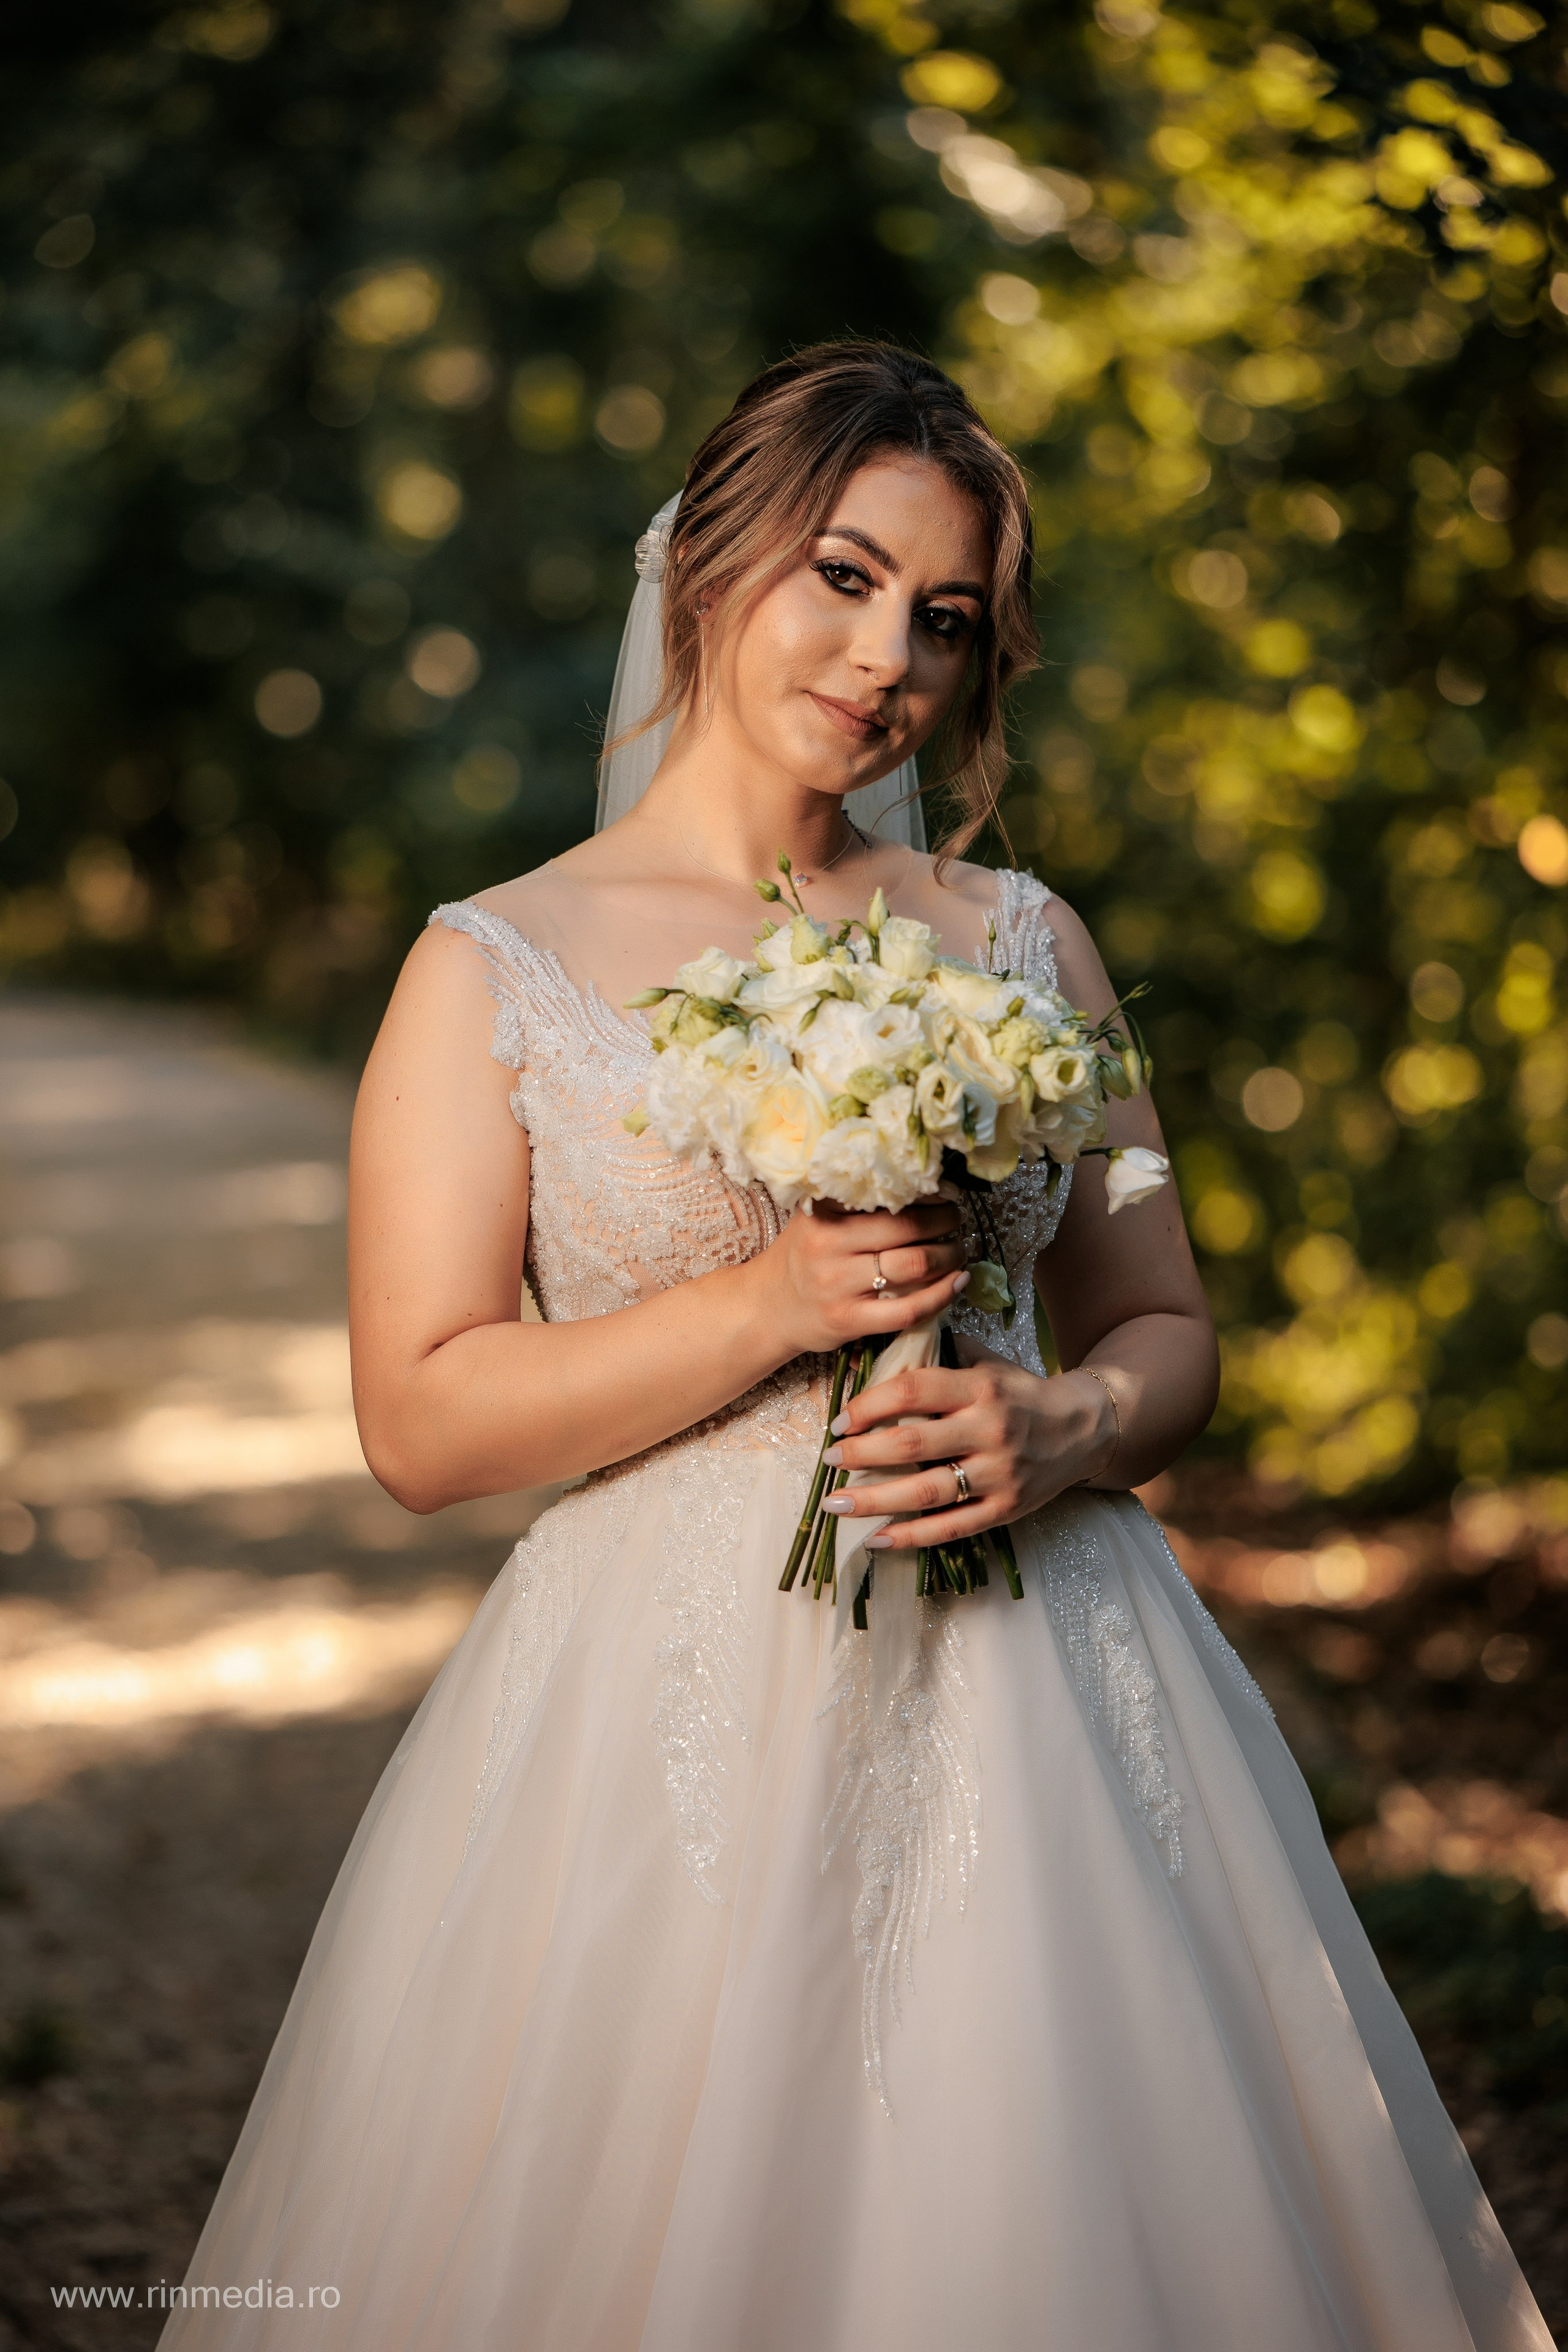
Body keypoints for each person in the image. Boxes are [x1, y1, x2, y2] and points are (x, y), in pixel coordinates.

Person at [161, 343, 1550, 2350]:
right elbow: (421, 1416)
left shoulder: (1026, 950)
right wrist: (768, 1305)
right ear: (714, 558)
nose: (887, 652)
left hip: (1050, 1682)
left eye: (945, 617)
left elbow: (1160, 1312)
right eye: (842, 572)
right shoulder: (491, 969)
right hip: (660, 1722)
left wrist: (1065, 1424)